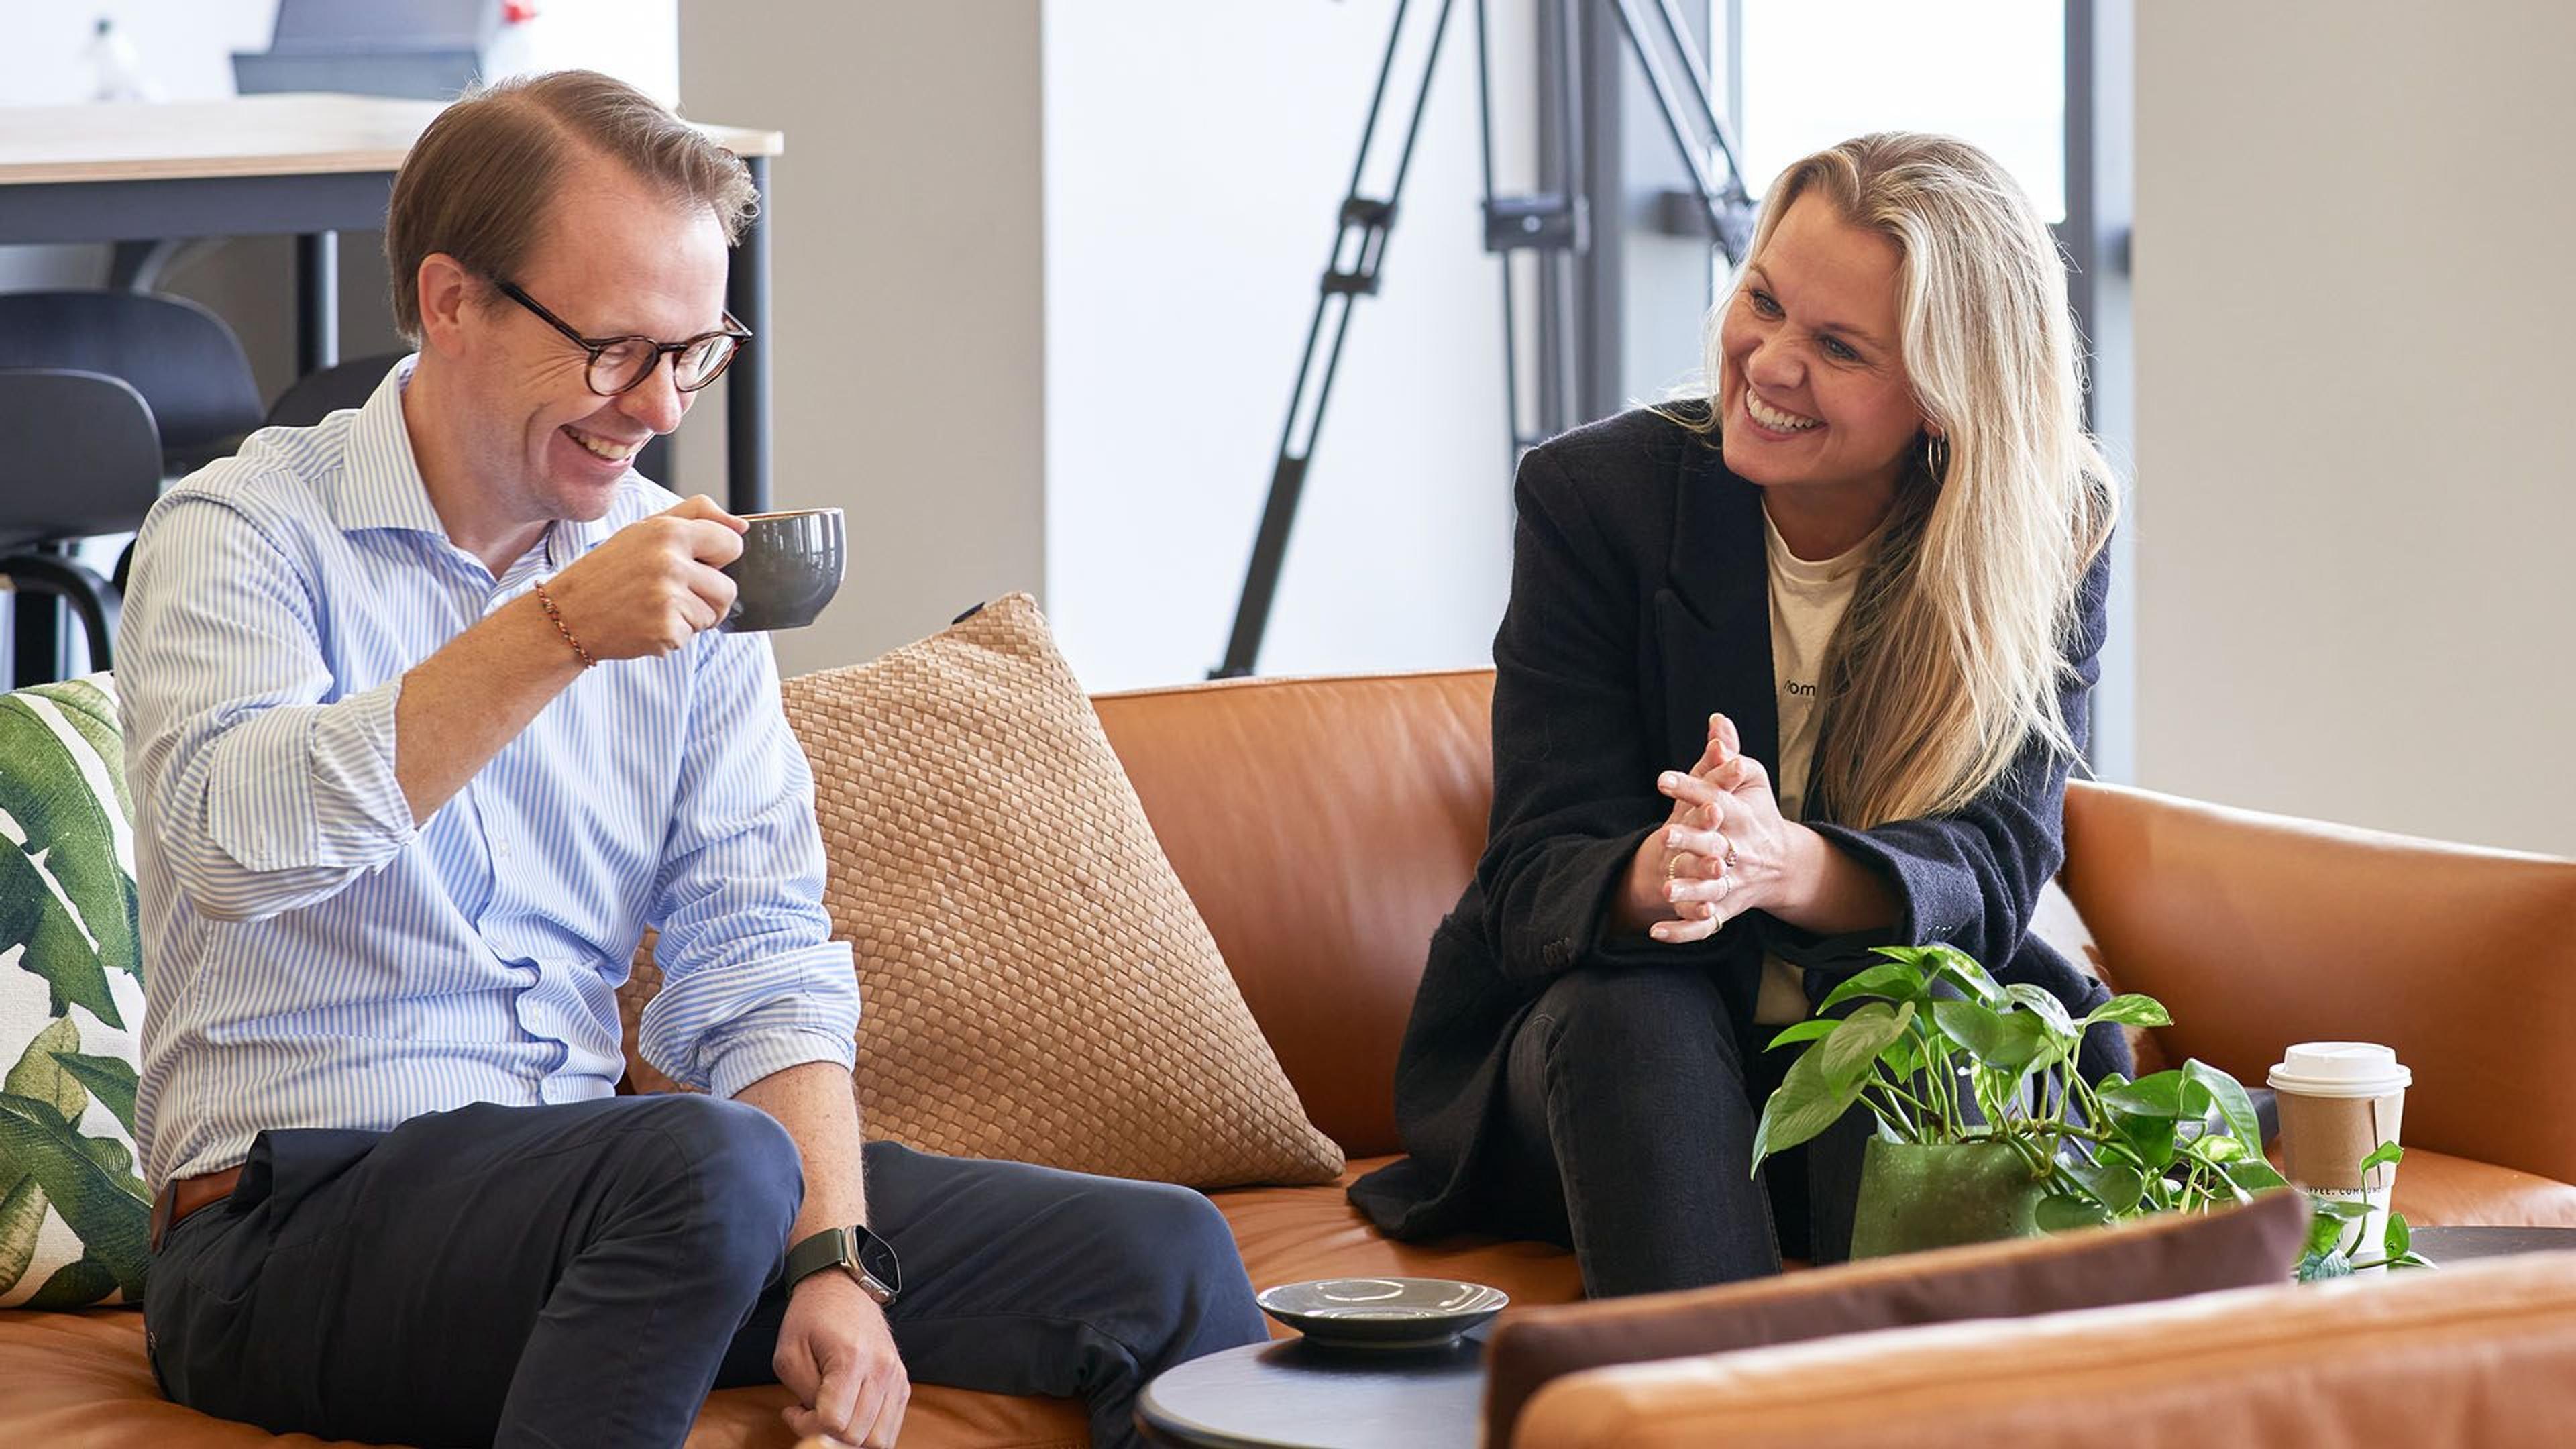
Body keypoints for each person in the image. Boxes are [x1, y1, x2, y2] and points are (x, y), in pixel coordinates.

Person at [123, 70, 1264, 1449]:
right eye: (614, 350)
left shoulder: (679, 570)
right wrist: (553, 633)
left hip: (617, 1218)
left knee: (1163, 1259)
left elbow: (760, 953)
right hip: (288, 1231)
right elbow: (237, 846)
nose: (660, 408)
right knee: (711, 1165)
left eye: (694, 352)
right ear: (452, 302)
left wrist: (829, 1259)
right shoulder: (238, 531)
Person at [1348, 132, 2129, 1297]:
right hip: (1611, 1062)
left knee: (1904, 1024)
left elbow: (1996, 865)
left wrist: (1784, 865)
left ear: (1943, 397)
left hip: (1865, 1041)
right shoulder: (1594, 501)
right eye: (1762, 299)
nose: (1768, 362)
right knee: (1636, 1013)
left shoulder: (2040, 535)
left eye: (1838, 347)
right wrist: (1664, 873)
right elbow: (1532, 874)